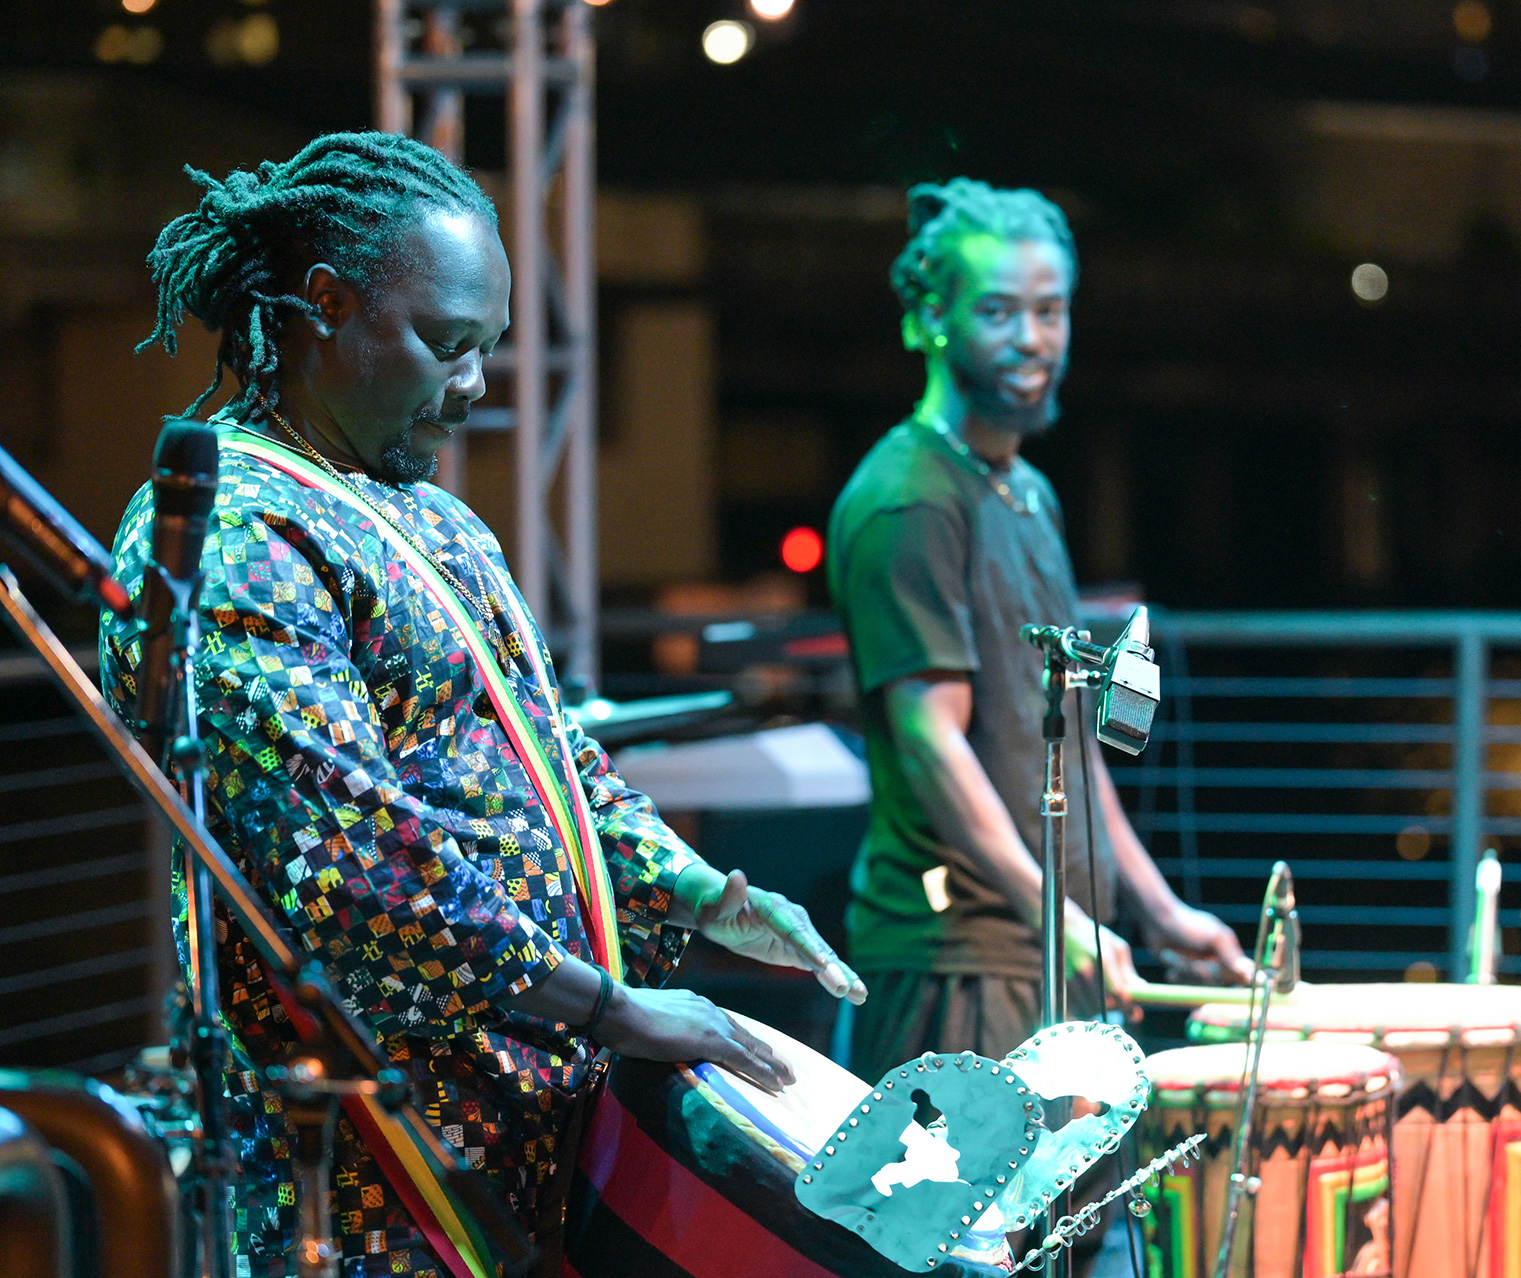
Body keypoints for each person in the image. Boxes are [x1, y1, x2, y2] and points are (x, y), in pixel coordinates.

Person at [101, 132, 865, 1278]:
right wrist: (616, 1009)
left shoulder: (433, 519)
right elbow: (353, 867)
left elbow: (559, 769)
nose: (473, 388)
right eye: (446, 345)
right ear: (324, 304)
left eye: (488, 350)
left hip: (523, 1125)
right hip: (374, 1157)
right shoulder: (240, 529)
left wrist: (705, 892)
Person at [827, 178, 1250, 1084]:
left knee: (1070, 1228)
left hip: (1055, 945)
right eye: (1000, 311)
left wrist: (1158, 909)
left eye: (1051, 311)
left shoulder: (1030, 493)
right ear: (929, 318)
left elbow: (1073, 744)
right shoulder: (911, 498)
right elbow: (928, 738)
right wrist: (1062, 922)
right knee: (960, 1228)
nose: (1032, 340)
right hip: (960, 956)